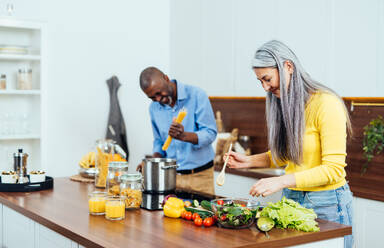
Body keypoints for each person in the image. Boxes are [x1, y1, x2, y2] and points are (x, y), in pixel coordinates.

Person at [225, 40, 354, 248]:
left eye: (267, 79)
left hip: (328, 204)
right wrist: (247, 161)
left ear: (288, 67)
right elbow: (287, 155)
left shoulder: (326, 104)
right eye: (261, 82)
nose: (265, 87)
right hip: (292, 201)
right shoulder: (287, 104)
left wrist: (282, 181)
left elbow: (333, 170)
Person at [139, 67, 217, 195]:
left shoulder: (197, 95)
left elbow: (210, 133)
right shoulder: (154, 108)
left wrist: (184, 136)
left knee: (203, 215)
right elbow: (159, 141)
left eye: (159, 93)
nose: (158, 99)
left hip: (200, 177)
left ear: (166, 78)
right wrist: (152, 163)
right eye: (152, 97)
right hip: (170, 178)